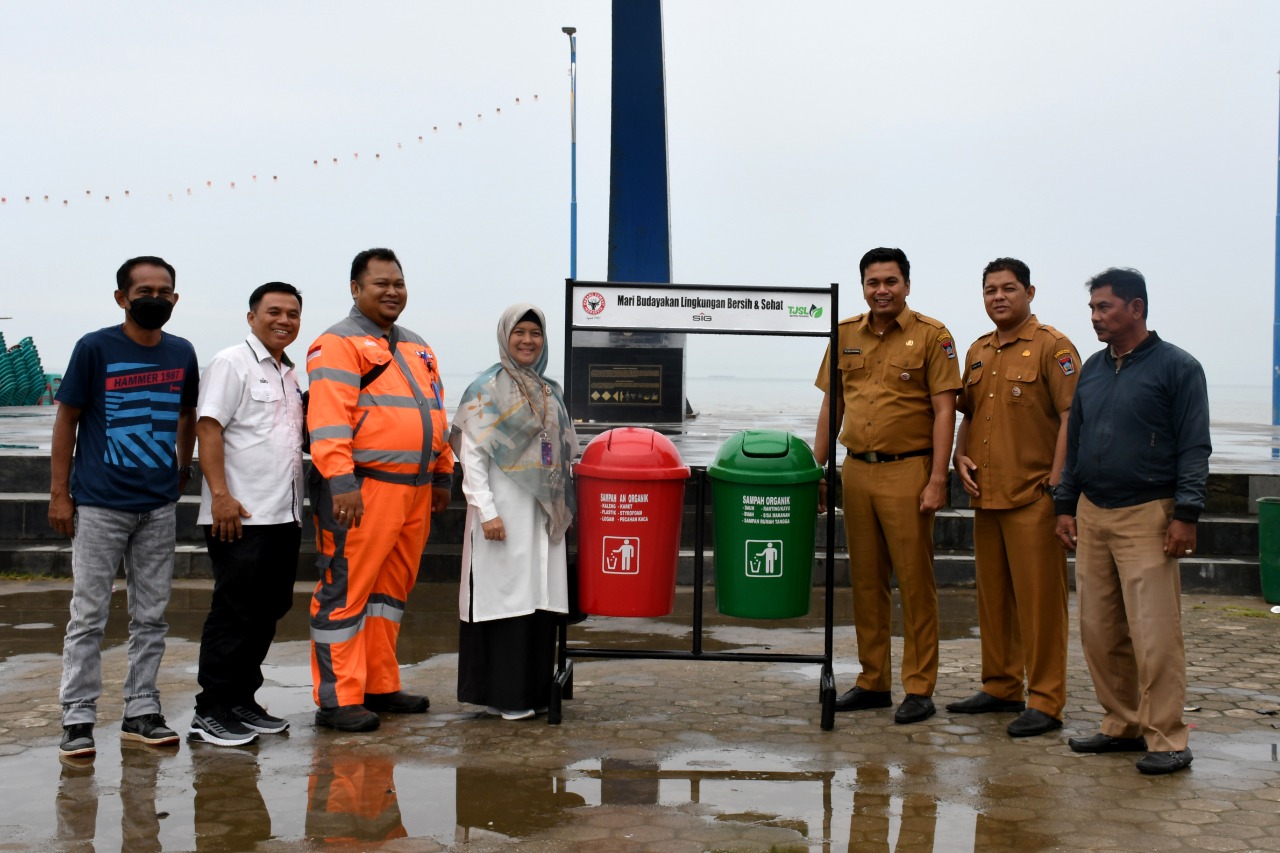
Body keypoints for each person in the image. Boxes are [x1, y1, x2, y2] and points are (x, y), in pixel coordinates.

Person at [1054, 267, 1210, 775]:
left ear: (1136, 308)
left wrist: (1186, 514)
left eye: (1104, 307)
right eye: (1093, 309)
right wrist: (1064, 504)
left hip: (1150, 513)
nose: (1096, 317)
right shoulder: (1094, 369)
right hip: (1092, 513)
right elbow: (1075, 444)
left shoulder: (1178, 368)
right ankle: (1120, 724)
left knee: (1155, 632)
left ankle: (1166, 737)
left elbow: (1193, 447)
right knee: (1099, 630)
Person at [51, 255, 198, 760]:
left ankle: (141, 710)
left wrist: (182, 469)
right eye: (144, 291)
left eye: (165, 291)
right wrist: (59, 493)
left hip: (157, 506)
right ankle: (77, 718)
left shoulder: (182, 352)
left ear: (175, 299)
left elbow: (186, 414)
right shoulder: (94, 347)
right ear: (122, 298)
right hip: (98, 505)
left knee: (151, 617)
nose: (155, 299)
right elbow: (67, 420)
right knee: (88, 615)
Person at [305, 248, 454, 732]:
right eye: (380, 284)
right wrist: (341, 482)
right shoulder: (337, 343)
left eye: (399, 283)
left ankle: (379, 684)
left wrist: (443, 471)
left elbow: (435, 412)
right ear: (355, 289)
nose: (392, 292)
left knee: (390, 592)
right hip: (362, 490)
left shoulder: (417, 346)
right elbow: (328, 419)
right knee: (345, 593)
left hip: (413, 491)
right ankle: (338, 698)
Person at [813, 247, 961, 724]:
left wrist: (939, 478)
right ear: (863, 286)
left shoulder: (933, 337)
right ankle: (873, 680)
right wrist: (818, 470)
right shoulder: (844, 335)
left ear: (907, 285)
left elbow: (945, 412)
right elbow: (831, 408)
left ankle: (919, 687)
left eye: (891, 281)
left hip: (909, 472)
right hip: (856, 471)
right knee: (866, 581)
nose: (882, 290)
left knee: (915, 583)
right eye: (873, 282)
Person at [949, 258, 1078, 737]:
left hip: (1033, 495)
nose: (998, 297)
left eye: (1008, 289)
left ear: (1030, 292)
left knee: (1041, 605)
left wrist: (1059, 483)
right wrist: (958, 457)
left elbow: (1071, 417)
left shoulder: (1053, 347)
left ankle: (1045, 700)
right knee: (994, 599)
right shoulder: (978, 350)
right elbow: (968, 413)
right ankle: (1001, 685)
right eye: (989, 290)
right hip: (987, 495)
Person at [188, 282, 306, 747]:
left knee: (269, 610)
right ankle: (211, 709)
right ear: (252, 316)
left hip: (284, 513)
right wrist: (220, 495)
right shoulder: (231, 362)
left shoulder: (290, 374)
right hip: (239, 513)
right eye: (273, 311)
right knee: (234, 612)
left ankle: (242, 701)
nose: (284, 320)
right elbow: (208, 427)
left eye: (293, 314)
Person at [451, 304, 578, 720]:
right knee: (503, 600)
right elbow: (471, 456)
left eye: (535, 333)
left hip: (542, 516)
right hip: (502, 515)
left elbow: (566, 451)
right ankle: (504, 695)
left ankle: (531, 691)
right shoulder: (486, 391)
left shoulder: (549, 390)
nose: (527, 340)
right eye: (519, 332)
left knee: (536, 600)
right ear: (504, 336)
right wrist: (486, 510)